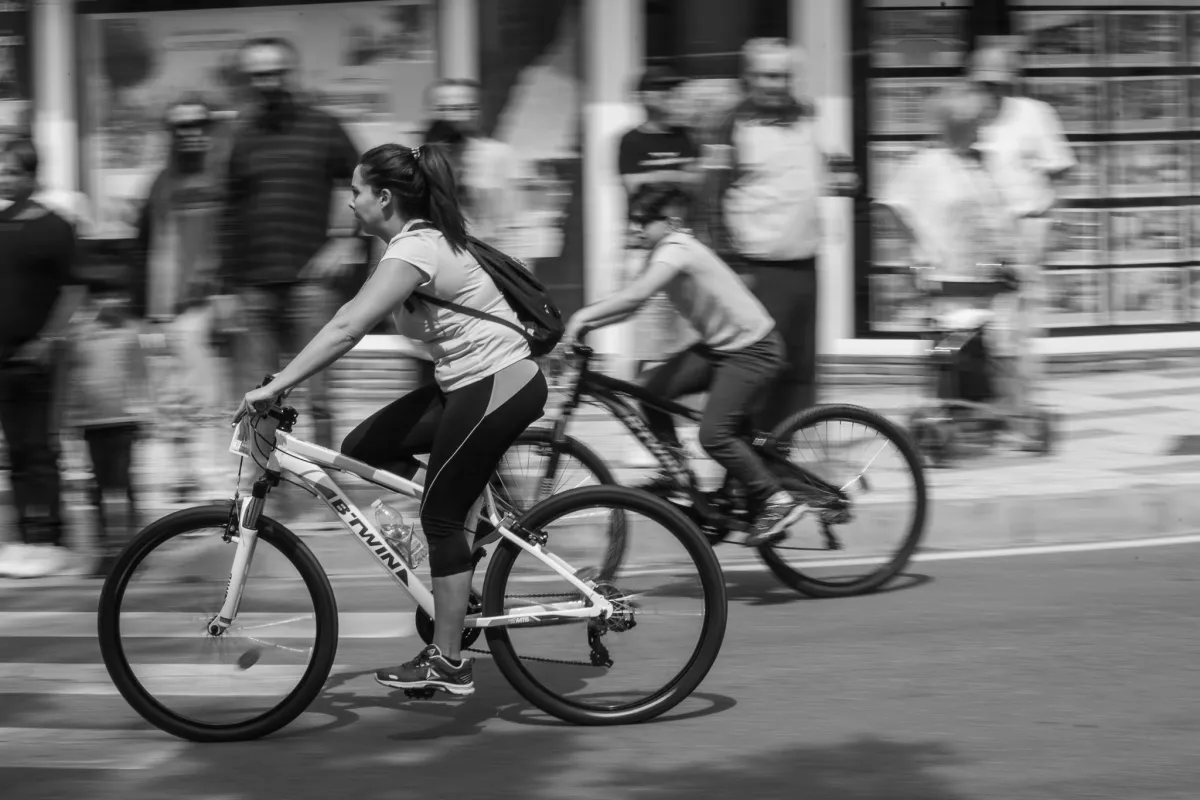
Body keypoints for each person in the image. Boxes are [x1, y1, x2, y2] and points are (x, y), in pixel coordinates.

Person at [234, 143, 548, 696]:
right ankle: (458, 538)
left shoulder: (418, 248)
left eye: (355, 191)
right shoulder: (411, 247)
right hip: (465, 385)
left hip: (500, 383)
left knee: (441, 520)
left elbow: (346, 326)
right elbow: (348, 320)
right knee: (362, 449)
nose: (349, 202)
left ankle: (448, 661)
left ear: (384, 197)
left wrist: (280, 384)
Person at [563, 183, 807, 547]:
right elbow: (633, 306)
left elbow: (636, 295)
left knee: (714, 434)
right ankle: (676, 469)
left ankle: (777, 500)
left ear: (670, 222)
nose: (635, 229)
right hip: (721, 348)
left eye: (643, 222)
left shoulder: (678, 248)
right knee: (650, 389)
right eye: (632, 221)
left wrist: (581, 316)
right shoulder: (660, 253)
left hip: (754, 349)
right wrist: (585, 329)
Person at [695, 37, 857, 430]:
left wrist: (841, 174)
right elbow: (710, 198)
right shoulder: (729, 122)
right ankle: (750, 469)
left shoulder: (808, 114)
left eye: (785, 75)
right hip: (757, 269)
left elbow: (835, 161)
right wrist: (732, 266)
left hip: (806, 265)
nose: (777, 83)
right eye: (769, 75)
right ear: (749, 76)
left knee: (801, 372)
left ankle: (788, 458)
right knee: (760, 370)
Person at [219, 36, 363, 455]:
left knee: (319, 397)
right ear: (248, 80)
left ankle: (326, 488)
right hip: (251, 287)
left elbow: (368, 183)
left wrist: (345, 238)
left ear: (290, 74)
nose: (268, 82)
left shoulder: (324, 126)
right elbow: (227, 213)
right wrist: (225, 288)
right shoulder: (238, 136)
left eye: (276, 73)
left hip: (310, 284)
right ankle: (264, 498)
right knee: (261, 397)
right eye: (259, 75)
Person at [877, 84, 1036, 436]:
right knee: (949, 347)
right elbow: (891, 203)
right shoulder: (927, 163)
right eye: (975, 122)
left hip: (982, 276)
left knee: (984, 345)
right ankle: (946, 414)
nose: (981, 129)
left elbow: (997, 216)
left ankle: (979, 415)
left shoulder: (981, 164)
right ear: (956, 123)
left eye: (982, 121)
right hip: (946, 277)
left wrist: (1008, 257)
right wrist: (917, 247)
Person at [133, 95, 232, 503]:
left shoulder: (223, 179)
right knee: (171, 403)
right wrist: (148, 315)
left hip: (208, 306)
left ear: (209, 130)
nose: (190, 133)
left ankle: (213, 485)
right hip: (165, 313)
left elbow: (233, 238)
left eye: (197, 125)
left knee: (209, 402)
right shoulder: (160, 182)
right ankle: (184, 479)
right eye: (180, 127)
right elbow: (150, 248)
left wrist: (226, 293)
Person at [968, 42, 1075, 399]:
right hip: (983, 237)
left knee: (1019, 327)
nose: (990, 90)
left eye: (997, 82)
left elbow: (1061, 173)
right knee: (984, 324)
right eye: (984, 83)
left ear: (1011, 81)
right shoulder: (968, 119)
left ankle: (1022, 409)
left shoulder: (1034, 114)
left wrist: (1053, 225)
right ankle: (990, 404)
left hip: (1026, 229)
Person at [0, 137, 83, 578]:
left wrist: (48, 339)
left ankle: (52, 535)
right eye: (3, 170)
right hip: (4, 359)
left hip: (38, 358)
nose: (4, 177)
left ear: (32, 175)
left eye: (12, 170)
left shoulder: (55, 226)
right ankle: (24, 537)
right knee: (13, 450)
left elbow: (72, 289)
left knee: (40, 449)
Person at [62, 262, 153, 577]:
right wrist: (69, 416)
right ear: (92, 300)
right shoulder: (79, 336)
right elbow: (73, 378)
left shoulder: (131, 333)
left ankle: (134, 547)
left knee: (125, 484)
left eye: (116, 296)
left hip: (124, 420)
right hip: (92, 422)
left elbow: (141, 376)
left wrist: (147, 413)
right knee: (98, 487)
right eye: (103, 296)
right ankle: (104, 550)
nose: (111, 302)